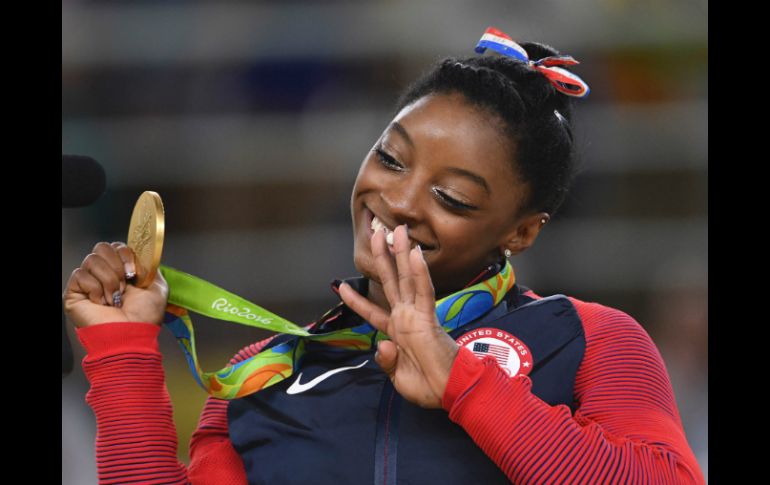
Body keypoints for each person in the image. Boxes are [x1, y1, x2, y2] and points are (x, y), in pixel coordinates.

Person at [63, 29, 706, 484]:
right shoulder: (263, 375)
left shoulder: (590, 339)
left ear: (522, 232)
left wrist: (460, 380)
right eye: (390, 159)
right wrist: (122, 353)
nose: (395, 200)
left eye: (451, 197)